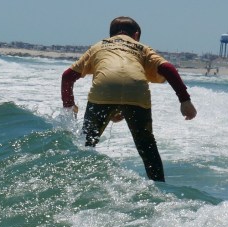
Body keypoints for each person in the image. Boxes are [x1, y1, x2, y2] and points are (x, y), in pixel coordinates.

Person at [60, 16, 197, 182]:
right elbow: (167, 68)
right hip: (137, 93)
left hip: (103, 92)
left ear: (111, 35)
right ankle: (161, 189)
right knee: (147, 147)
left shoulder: (98, 47)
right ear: (137, 35)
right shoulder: (141, 48)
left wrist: (69, 107)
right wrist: (185, 100)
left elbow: (67, 76)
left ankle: (76, 182)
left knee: (86, 144)